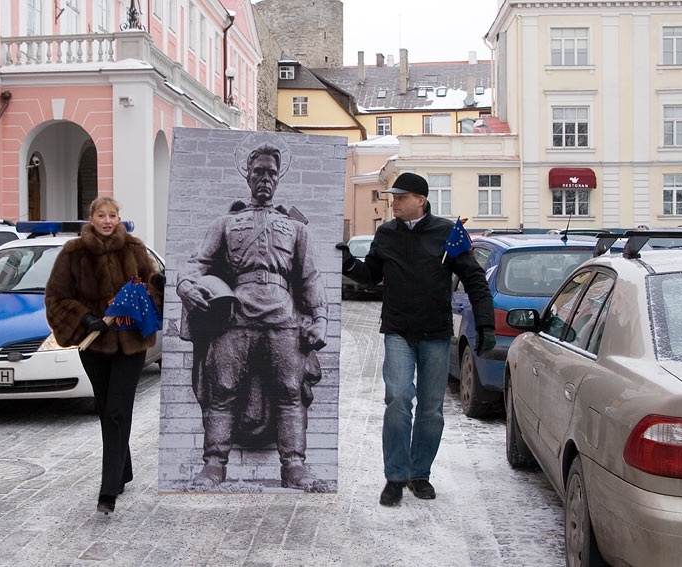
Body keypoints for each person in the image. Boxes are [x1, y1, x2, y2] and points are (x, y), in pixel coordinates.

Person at [176, 141, 329, 492]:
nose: (265, 178)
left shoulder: (296, 228)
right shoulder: (226, 223)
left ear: (279, 178)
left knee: (290, 391)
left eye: (271, 173)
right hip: (237, 313)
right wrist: (186, 286)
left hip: (282, 314)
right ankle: (214, 465)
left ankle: (294, 466)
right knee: (223, 389)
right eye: (258, 171)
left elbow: (309, 277)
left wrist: (319, 317)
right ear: (248, 174)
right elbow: (198, 264)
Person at [338, 172, 496, 507]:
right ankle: (395, 477)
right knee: (397, 399)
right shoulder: (386, 234)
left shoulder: (449, 234)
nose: (392, 202)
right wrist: (349, 264)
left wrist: (485, 325)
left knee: (431, 410)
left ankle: (419, 474)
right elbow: (370, 277)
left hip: (436, 333)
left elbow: (475, 278)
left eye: (399, 197)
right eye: (391, 197)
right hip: (397, 330)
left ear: (420, 200)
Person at [45, 197, 164, 515]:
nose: (108, 220)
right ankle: (122, 470)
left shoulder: (135, 248)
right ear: (91, 218)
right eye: (102, 215)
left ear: (119, 218)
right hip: (96, 344)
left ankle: (108, 490)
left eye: (113, 215)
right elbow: (56, 296)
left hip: (132, 343)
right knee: (105, 409)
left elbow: (150, 286)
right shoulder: (74, 253)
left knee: (116, 411)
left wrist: (156, 288)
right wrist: (84, 318)